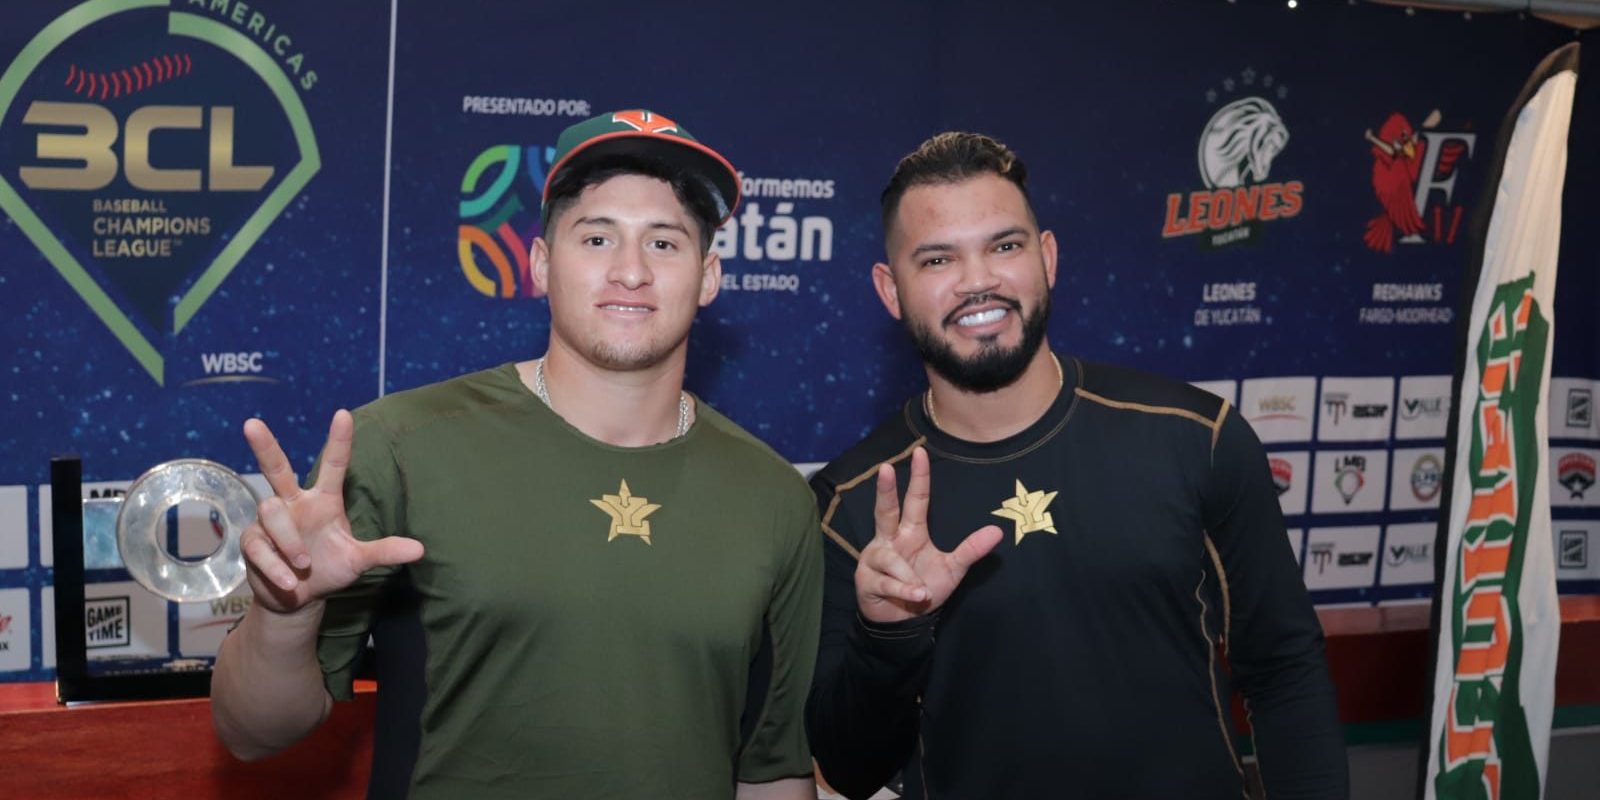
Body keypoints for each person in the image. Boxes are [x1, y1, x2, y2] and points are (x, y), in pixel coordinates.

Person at [211, 109, 823, 800]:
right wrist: (285, 613)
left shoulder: (774, 499)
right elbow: (251, 733)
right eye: (597, 237)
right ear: (539, 264)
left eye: (664, 243)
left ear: (708, 276)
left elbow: (772, 773)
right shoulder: (402, 449)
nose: (630, 271)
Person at [806, 132, 1347, 799]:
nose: (979, 281)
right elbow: (851, 770)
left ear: (1048, 257)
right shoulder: (854, 505)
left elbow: (1284, 670)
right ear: (891, 291)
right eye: (939, 259)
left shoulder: (1194, 438)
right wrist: (890, 634)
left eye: (1005, 246)